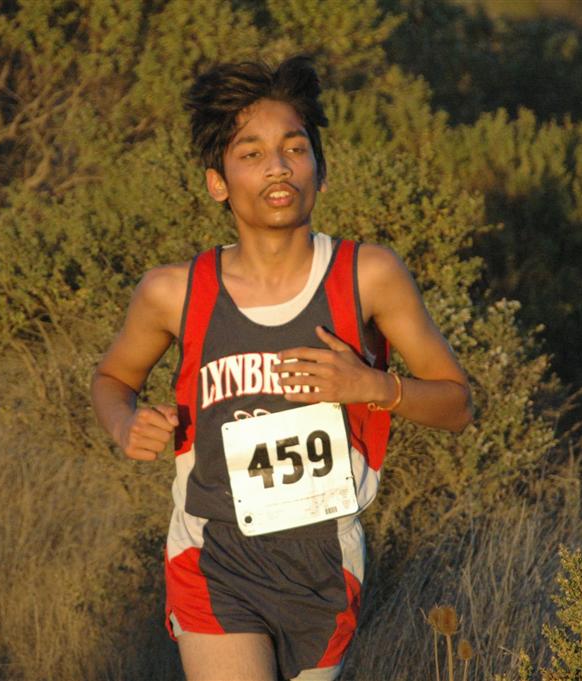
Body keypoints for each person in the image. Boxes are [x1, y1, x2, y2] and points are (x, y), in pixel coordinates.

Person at [91, 56, 472, 681]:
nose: (278, 166)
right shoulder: (173, 291)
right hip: (213, 552)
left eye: (295, 148)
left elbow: (456, 405)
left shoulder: (368, 275)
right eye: (252, 153)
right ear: (217, 182)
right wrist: (123, 423)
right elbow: (112, 380)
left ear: (320, 168)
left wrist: (374, 386)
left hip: (324, 561)